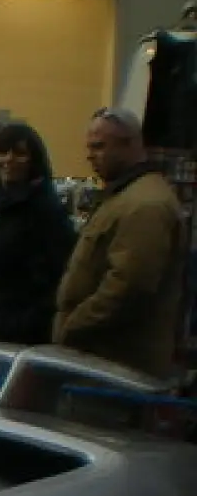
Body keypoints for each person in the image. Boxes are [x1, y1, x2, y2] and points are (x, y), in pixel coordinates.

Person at [54, 107, 187, 378]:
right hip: (103, 359)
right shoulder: (126, 196)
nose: (90, 155)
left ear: (130, 144)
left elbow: (129, 287)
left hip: (117, 364)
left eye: (99, 146)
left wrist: (72, 325)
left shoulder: (144, 205)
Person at [0, 122, 79, 348]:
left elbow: (59, 272)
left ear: (33, 160)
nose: (9, 160)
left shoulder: (47, 213)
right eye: (3, 152)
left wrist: (28, 319)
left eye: (19, 153)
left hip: (20, 332)